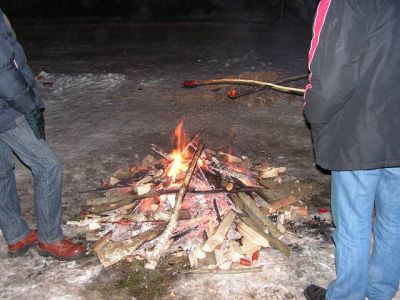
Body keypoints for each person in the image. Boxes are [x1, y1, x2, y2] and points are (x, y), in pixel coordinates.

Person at [303, 0, 400, 299]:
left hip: (361, 130)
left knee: (353, 222)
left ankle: (347, 295)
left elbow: (333, 73)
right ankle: (380, 291)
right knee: (394, 219)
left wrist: (314, 112)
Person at [0, 9, 86, 260]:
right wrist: (28, 104)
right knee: (48, 166)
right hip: (5, 108)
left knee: (2, 172)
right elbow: (4, 71)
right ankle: (50, 239)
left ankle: (16, 236)